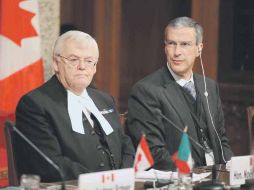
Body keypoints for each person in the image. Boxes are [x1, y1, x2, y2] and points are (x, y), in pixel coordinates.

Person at [15, 31, 135, 182]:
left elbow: (125, 144)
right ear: (56, 63)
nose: (82, 66)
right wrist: (100, 182)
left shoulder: (104, 99)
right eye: (73, 59)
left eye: (89, 60)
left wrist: (122, 178)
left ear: (95, 66)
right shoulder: (35, 104)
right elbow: (49, 163)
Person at [126, 17, 232, 171]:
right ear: (165, 47)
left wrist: (230, 171)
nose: (177, 52)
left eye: (185, 44)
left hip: (216, 177)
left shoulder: (209, 86)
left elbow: (221, 140)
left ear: (199, 49)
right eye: (171, 43)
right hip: (179, 178)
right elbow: (153, 152)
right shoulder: (146, 90)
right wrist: (190, 175)